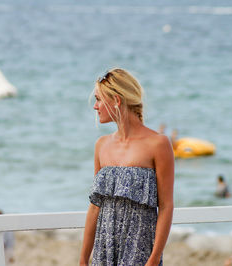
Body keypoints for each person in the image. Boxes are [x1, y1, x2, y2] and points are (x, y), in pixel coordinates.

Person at [80, 69, 174, 265]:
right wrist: (83, 259)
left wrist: (154, 259)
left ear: (116, 100)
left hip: (140, 252)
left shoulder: (158, 144)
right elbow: (95, 208)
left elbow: (166, 207)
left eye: (98, 99)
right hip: (104, 249)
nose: (95, 107)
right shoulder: (101, 145)